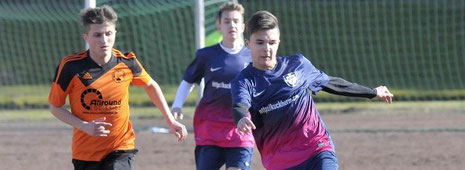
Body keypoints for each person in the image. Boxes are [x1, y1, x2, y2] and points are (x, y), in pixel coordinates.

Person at [231, 11, 394, 170]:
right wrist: (242, 118)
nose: (267, 48)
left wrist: (372, 92)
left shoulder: (298, 65)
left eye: (272, 42)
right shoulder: (244, 80)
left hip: (317, 148)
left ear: (279, 42)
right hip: (279, 161)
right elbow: (240, 104)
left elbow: (332, 83)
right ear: (248, 44)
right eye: (260, 42)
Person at [48, 5, 187, 170]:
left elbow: (150, 84)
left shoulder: (127, 62)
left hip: (121, 147)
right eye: (97, 35)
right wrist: (84, 126)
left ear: (115, 33)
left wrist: (170, 120)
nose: (104, 40)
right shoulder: (71, 66)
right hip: (85, 152)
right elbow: (55, 107)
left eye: (108, 34)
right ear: (86, 37)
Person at [171, 2, 254, 170]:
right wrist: (177, 105)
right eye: (227, 21)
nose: (232, 25)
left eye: (236, 21)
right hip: (209, 128)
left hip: (240, 128)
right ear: (219, 25)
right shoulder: (206, 55)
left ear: (243, 26)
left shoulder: (252, 56)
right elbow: (188, 81)